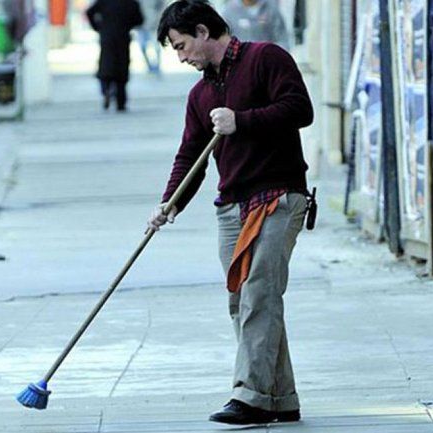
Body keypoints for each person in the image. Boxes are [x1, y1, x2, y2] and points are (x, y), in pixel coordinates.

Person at [147, 0, 313, 425]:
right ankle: (280, 397)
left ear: (203, 32)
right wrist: (170, 204)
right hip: (232, 207)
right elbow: (190, 157)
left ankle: (250, 398)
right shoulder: (200, 94)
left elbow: (300, 110)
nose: (181, 57)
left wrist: (242, 120)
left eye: (182, 46)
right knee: (244, 302)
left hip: (279, 197)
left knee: (260, 292)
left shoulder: (265, 59)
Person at [85, 0, 143, 111]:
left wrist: (98, 27)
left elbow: (89, 12)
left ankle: (106, 89)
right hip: (123, 37)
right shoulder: (131, 2)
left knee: (106, 65)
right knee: (122, 68)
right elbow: (139, 20)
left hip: (107, 36)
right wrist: (128, 24)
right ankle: (121, 101)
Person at [222, 0, 290, 50]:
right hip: (241, 63)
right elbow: (224, 41)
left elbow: (282, 39)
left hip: (266, 61)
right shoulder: (229, 11)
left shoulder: (271, 8)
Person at [136, 0, 164, 74]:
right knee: (142, 46)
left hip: (154, 24)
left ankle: (157, 65)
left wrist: (159, 19)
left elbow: (162, 6)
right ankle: (149, 65)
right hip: (141, 25)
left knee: (156, 46)